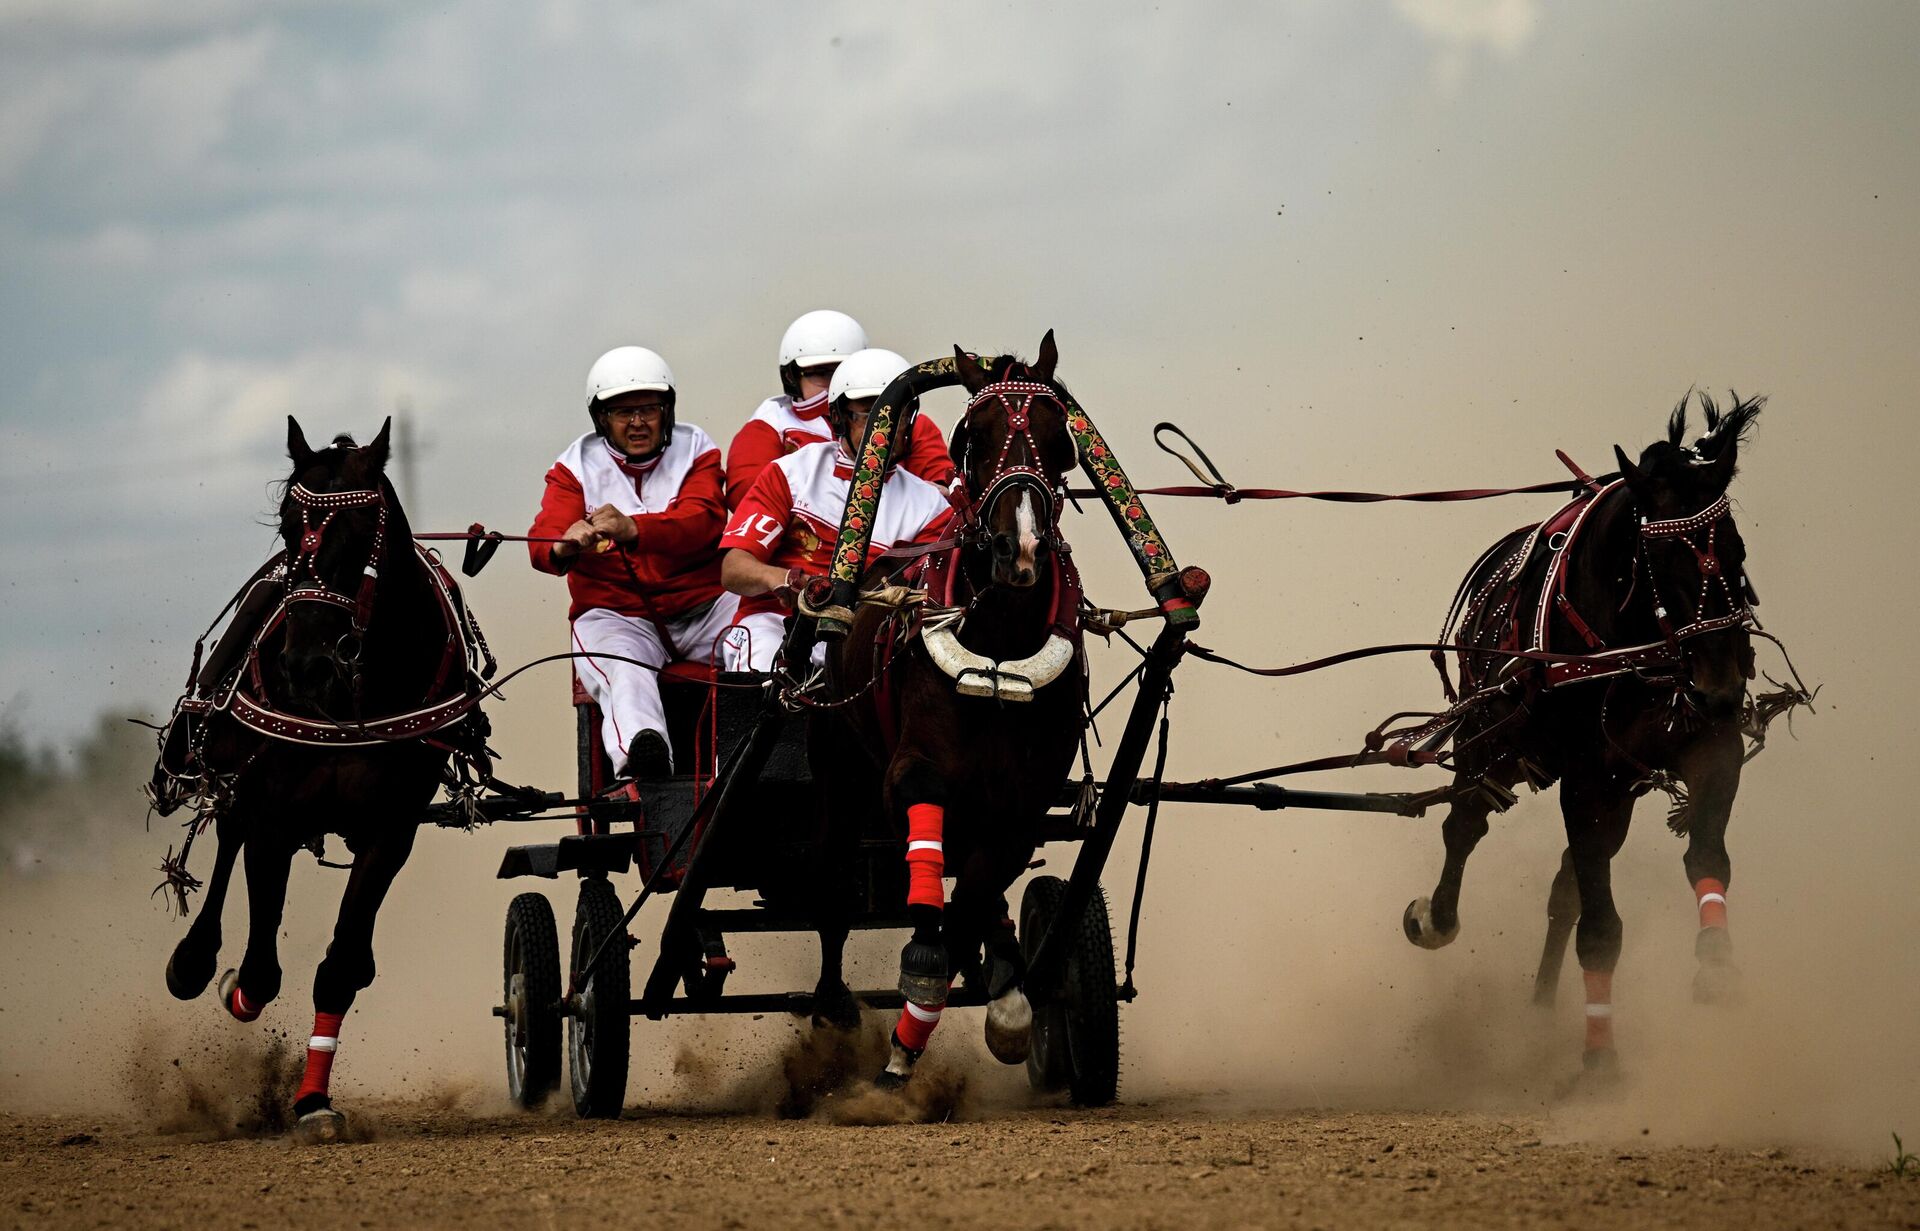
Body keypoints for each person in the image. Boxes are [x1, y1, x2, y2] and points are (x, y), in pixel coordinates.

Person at [529, 346, 735, 779]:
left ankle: (753, 762)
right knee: (621, 666)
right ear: (601, 418)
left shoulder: (696, 447)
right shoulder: (573, 466)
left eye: (649, 409)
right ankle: (645, 761)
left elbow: (704, 521)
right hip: (621, 618)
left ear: (667, 411)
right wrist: (564, 545)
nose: (638, 422)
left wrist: (633, 528)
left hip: (707, 608)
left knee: (765, 636)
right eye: (623, 412)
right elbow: (544, 539)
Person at [719, 348, 955, 672]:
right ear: (839, 417)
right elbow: (733, 569)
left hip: (868, 640)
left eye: (897, 413)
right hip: (776, 622)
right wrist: (783, 579)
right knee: (764, 660)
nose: (885, 427)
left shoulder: (932, 507)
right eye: (869, 414)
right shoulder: (792, 473)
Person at [724, 309, 955, 509]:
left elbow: (943, 489)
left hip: (898, 537)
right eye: (822, 373)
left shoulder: (907, 423)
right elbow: (747, 496)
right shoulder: (771, 424)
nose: (837, 381)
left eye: (845, 369)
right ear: (792, 378)